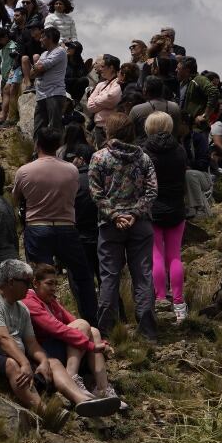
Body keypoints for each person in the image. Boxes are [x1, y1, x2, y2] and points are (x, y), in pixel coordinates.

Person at [0, 259, 106, 416]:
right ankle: (45, 413)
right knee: (11, 364)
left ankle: (82, 400)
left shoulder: (21, 308)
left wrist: (44, 361)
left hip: (5, 360)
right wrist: (25, 362)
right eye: (26, 282)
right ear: (11, 282)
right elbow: (3, 339)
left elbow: (32, 344)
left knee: (53, 362)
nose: (30, 286)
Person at [12, 127, 99, 322]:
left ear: (37, 144)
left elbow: (16, 199)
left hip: (37, 226)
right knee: (82, 276)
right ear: (58, 146)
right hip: (66, 226)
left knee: (40, 278)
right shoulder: (72, 170)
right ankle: (92, 321)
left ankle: (45, 321)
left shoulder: (24, 171)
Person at [86, 113, 159, 341]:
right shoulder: (144, 158)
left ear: (110, 131)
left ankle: (106, 331)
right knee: (143, 275)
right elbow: (152, 191)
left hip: (109, 225)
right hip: (141, 224)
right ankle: (147, 330)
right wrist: (135, 214)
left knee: (109, 277)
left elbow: (95, 192)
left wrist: (116, 215)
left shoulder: (99, 158)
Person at [22, 263, 119, 410]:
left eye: (55, 283)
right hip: (44, 350)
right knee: (82, 325)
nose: (54, 288)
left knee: (94, 331)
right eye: (49, 283)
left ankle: (103, 389)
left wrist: (101, 343)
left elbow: (71, 320)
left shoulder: (51, 300)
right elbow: (56, 329)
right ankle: (72, 377)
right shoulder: (29, 301)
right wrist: (92, 346)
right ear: (35, 283)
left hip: (58, 346)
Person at [141, 112, 190, 324]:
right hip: (177, 208)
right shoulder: (180, 150)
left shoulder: (144, 151)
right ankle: (179, 303)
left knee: (156, 257)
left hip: (153, 210)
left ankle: (161, 300)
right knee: (175, 256)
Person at [176, 56, 219, 169]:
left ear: (187, 70)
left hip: (197, 129)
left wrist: (205, 115)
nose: (176, 70)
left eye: (179, 68)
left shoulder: (198, 79)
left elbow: (214, 93)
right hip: (187, 128)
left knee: (200, 161)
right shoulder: (182, 83)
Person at [31, 27, 69, 135]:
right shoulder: (43, 54)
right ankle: (37, 151)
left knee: (55, 129)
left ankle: (56, 152)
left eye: (43, 37)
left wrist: (39, 68)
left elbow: (41, 67)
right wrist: (37, 68)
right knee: (38, 129)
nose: (40, 40)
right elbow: (31, 74)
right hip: (41, 95)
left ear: (50, 38)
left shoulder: (60, 51)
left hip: (54, 94)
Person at [83, 54, 123, 136]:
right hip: (98, 126)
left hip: (110, 127)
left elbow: (112, 98)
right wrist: (102, 101)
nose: (100, 69)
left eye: (103, 66)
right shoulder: (100, 84)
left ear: (111, 68)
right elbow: (90, 106)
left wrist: (96, 99)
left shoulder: (118, 83)